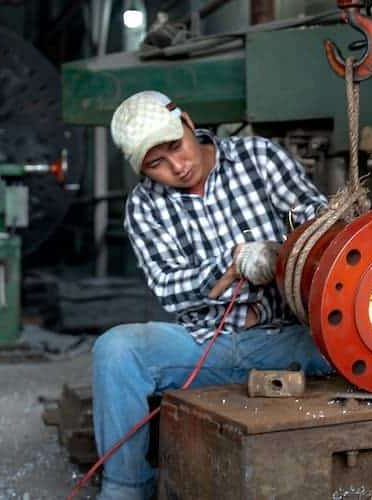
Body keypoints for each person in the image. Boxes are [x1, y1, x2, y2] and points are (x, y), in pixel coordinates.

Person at [93, 90, 333, 500]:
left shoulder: (258, 157)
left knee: (360, 343)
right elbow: (170, 288)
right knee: (116, 350)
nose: (178, 166)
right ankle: (125, 488)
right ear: (143, 170)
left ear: (188, 122)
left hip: (292, 337)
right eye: (157, 164)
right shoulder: (144, 207)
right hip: (209, 345)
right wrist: (230, 265)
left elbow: (320, 226)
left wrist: (278, 253)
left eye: (176, 147)